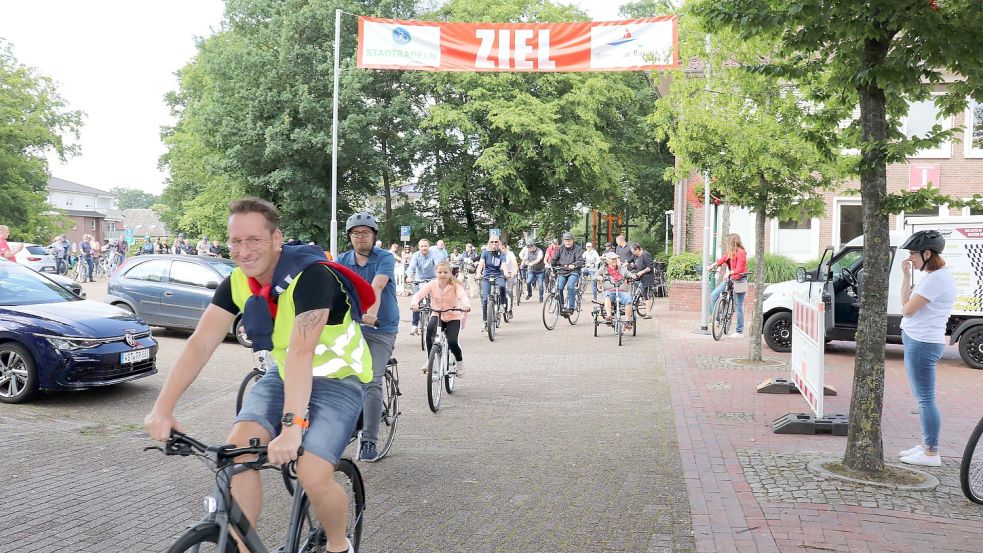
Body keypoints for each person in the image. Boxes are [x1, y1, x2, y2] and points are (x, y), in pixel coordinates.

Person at [145, 198, 371, 553]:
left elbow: (301, 351)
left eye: (254, 240)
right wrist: (163, 408)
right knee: (237, 453)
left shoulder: (313, 276)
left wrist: (292, 427)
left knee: (312, 473)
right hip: (284, 376)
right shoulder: (237, 281)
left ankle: (339, 544)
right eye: (236, 241)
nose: (244, 251)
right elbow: (201, 343)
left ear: (276, 239)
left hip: (338, 378)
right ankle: (240, 545)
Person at [337, 212, 399, 462]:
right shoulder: (342, 259)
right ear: (349, 237)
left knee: (371, 379)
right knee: (339, 375)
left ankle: (370, 440)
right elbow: (335, 290)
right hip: (351, 327)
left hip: (380, 328)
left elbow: (378, 286)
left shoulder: (383, 257)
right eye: (355, 233)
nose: (360, 237)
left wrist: (369, 314)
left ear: (374, 236)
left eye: (365, 233)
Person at [896, 230, 956, 468]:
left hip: (923, 343)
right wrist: (906, 276)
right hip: (919, 339)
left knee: (925, 399)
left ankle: (931, 452)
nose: (910, 257)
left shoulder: (937, 279)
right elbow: (905, 303)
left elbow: (908, 310)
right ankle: (926, 445)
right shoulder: (933, 275)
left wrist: (907, 302)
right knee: (923, 398)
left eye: (913, 253)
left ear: (927, 253)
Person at [411, 260, 471, 376]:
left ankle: (459, 362)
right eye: (439, 272)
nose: (442, 275)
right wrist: (415, 303)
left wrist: (466, 305)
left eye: (445, 272)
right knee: (429, 333)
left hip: (453, 316)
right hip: (437, 314)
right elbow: (418, 295)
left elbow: (463, 296)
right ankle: (430, 360)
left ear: (450, 273)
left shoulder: (455, 285)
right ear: (435, 273)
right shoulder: (432, 284)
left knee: (453, 341)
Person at [708, 233, 748, 338]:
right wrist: (711, 266)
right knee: (713, 295)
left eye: (728, 241)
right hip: (730, 279)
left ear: (732, 242)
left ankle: (739, 331)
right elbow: (722, 260)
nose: (727, 244)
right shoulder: (730, 252)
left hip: (740, 280)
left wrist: (729, 272)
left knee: (738, 305)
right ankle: (717, 319)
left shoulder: (741, 253)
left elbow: (739, 269)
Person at [475, 236, 511, 331]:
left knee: (502, 286)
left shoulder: (501, 253)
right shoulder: (485, 253)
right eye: (492, 242)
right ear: (489, 243)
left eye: (496, 242)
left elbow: (504, 264)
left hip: (498, 275)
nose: (494, 244)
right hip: (487, 276)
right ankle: (485, 321)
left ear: (498, 243)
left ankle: (502, 304)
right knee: (485, 300)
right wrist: (478, 273)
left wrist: (506, 273)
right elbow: (481, 264)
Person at [595, 252, 634, 332]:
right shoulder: (603, 269)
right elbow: (595, 276)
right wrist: (599, 277)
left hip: (621, 291)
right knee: (607, 297)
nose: (614, 260)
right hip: (609, 290)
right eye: (612, 259)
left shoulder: (622, 268)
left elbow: (629, 274)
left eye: (615, 259)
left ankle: (627, 322)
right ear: (608, 261)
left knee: (629, 299)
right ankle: (609, 316)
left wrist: (633, 276)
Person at [406, 239, 439, 334]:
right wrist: (409, 276)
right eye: (422, 246)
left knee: (435, 301)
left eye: (425, 246)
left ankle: (437, 323)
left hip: (432, 280)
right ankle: (415, 325)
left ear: (429, 246)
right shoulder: (416, 255)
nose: (424, 248)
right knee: (416, 302)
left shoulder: (434, 254)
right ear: (419, 247)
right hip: (419, 280)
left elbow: (438, 266)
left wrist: (439, 276)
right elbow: (411, 267)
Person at [550, 232, 584, 316]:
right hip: (563, 271)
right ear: (564, 241)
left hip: (574, 271)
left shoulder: (578, 249)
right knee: (559, 288)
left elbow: (580, 261)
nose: (567, 242)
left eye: (569, 241)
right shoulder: (560, 249)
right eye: (566, 241)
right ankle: (561, 307)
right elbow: (554, 259)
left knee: (570, 286)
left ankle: (571, 307)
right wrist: (553, 268)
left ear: (572, 241)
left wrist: (574, 265)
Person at [630, 243, 656, 318]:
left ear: (638, 249)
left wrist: (642, 272)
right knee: (638, 292)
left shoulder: (645, 254)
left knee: (647, 295)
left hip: (647, 278)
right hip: (641, 277)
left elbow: (650, 266)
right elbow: (638, 265)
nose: (633, 254)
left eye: (634, 252)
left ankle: (648, 314)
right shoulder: (639, 256)